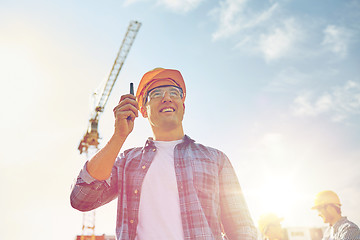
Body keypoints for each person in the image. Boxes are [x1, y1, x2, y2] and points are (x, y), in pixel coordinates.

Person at [70, 68, 258, 240]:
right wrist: (119, 136)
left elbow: (242, 229)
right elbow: (82, 198)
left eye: (174, 93)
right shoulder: (127, 161)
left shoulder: (216, 160)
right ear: (142, 110)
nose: (167, 98)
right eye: (156, 94)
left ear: (183, 107)